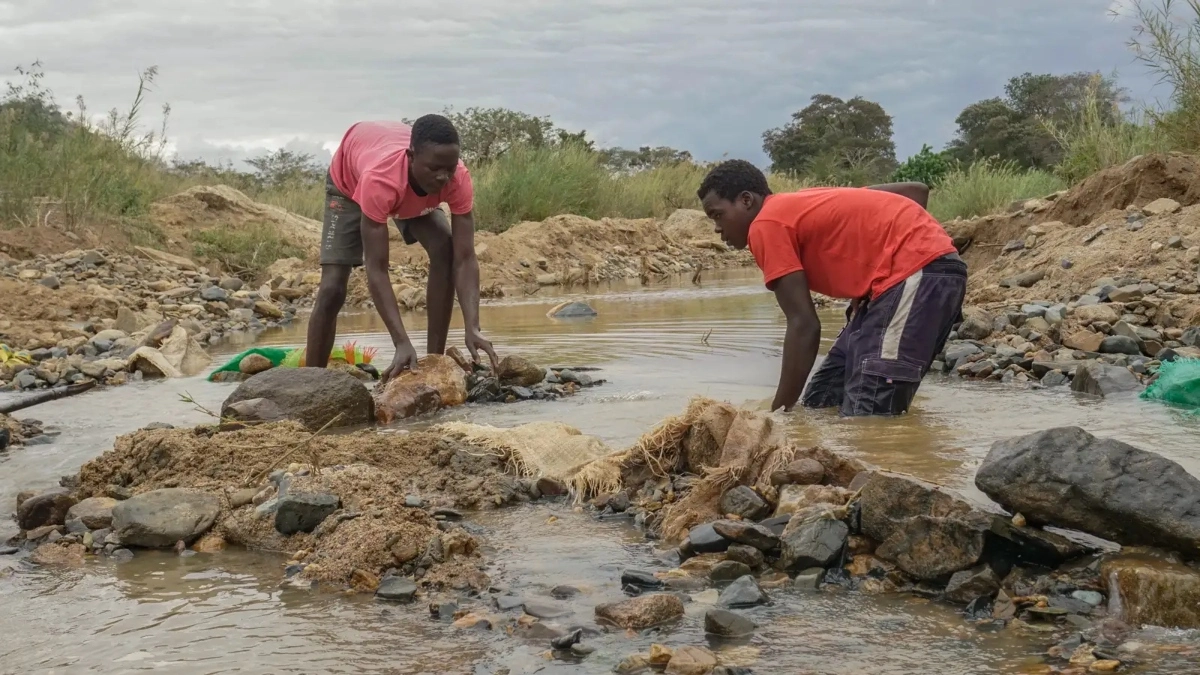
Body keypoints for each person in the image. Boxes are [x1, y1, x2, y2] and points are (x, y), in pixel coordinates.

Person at [697, 159, 966, 417]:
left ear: (746, 201)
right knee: (821, 402)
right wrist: (871, 277)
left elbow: (804, 324)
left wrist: (778, 415)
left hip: (916, 275)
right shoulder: (801, 203)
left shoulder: (765, 225)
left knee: (870, 414)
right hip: (910, 278)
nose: (717, 229)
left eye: (718, 215)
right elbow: (915, 192)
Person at [307, 114, 498, 382]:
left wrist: (473, 327)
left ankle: (434, 362)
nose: (443, 177)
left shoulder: (457, 178)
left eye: (449, 168)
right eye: (435, 169)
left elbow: (465, 258)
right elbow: (377, 268)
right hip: (349, 183)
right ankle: (309, 382)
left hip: (405, 186)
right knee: (332, 288)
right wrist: (401, 342)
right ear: (411, 156)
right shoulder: (379, 180)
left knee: (446, 249)